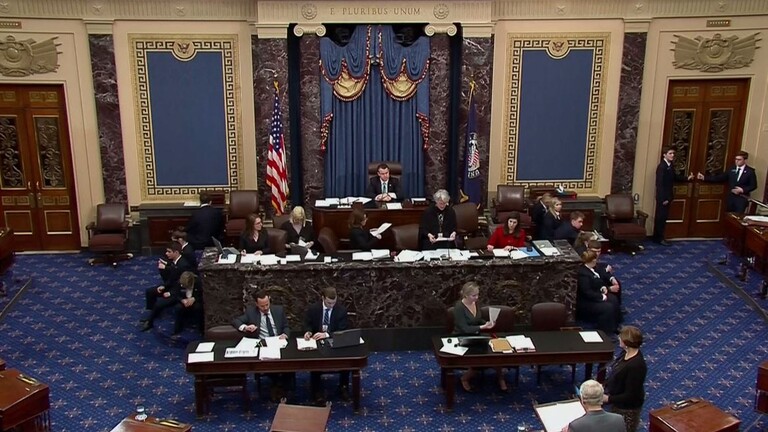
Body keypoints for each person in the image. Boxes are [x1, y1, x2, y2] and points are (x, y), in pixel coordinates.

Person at [231, 291, 291, 400]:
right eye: (262, 306)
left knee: (289, 361)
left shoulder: (278, 310)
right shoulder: (251, 312)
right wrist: (245, 327)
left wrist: (285, 334)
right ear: (257, 304)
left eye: (267, 304)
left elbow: (286, 326)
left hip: (278, 341)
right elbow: (236, 321)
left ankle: (286, 388)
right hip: (262, 343)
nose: (265, 308)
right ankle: (276, 386)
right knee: (270, 361)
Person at [452, 282, 506, 392]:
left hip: (476, 336)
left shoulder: (475, 303)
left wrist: (487, 323)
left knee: (496, 351)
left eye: (477, 295)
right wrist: (482, 327)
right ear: (466, 295)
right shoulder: (459, 307)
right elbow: (465, 328)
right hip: (462, 338)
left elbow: (477, 319)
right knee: (482, 355)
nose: (476, 298)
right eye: (474, 295)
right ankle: (465, 378)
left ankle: (500, 377)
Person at [303, 287, 350, 404]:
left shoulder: (341, 311)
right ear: (323, 298)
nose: (331, 305)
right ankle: (316, 391)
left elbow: (342, 329)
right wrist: (308, 332)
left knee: (346, 358)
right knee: (315, 360)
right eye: (329, 303)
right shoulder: (313, 309)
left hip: (334, 340)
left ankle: (343, 387)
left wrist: (327, 334)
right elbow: (307, 324)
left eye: (333, 303)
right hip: (316, 341)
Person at [602, 326, 647, 432]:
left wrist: (608, 399)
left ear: (626, 342)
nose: (619, 338)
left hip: (627, 408)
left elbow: (631, 395)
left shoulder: (636, 366)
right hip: (617, 401)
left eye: (621, 337)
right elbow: (616, 373)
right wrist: (605, 384)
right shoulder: (625, 353)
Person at [142, 242, 192, 331]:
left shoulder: (183, 265)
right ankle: (151, 313)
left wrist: (170, 293)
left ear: (176, 252)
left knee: (159, 304)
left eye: (169, 252)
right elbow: (171, 279)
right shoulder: (172, 261)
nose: (166, 253)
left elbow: (182, 285)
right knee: (150, 292)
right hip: (170, 286)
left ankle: (150, 322)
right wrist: (164, 286)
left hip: (178, 292)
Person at [653, 147, 692, 245]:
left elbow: (675, 177)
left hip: (668, 197)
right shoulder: (662, 167)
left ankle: (659, 237)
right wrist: (663, 198)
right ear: (664, 154)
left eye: (673, 153)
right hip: (663, 198)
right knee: (660, 218)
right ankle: (659, 238)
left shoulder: (670, 165)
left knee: (663, 217)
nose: (672, 155)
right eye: (670, 153)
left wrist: (687, 178)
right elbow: (659, 184)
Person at [576, 250, 621, 335]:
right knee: (607, 307)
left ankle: (614, 327)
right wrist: (601, 297)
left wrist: (602, 287)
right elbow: (587, 292)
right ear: (593, 260)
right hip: (586, 301)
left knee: (613, 299)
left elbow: (597, 281)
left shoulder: (593, 268)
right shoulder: (583, 274)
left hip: (595, 294)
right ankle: (605, 332)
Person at [171, 271, 203, 339]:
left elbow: (203, 295)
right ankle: (177, 330)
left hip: (195, 301)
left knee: (198, 308)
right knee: (178, 308)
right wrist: (182, 300)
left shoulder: (199, 283)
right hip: (184, 301)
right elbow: (176, 295)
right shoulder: (179, 283)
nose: (182, 286)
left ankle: (201, 330)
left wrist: (194, 299)